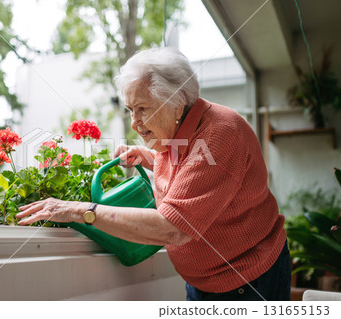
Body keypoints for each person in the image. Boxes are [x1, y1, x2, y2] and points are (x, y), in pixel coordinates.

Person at [16, 47, 290, 301]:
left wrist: (80, 211)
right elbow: (188, 164)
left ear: (176, 103)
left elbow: (173, 228)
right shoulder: (179, 130)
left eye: (143, 109)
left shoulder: (219, 135)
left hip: (247, 281)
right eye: (130, 110)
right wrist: (148, 157)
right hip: (207, 280)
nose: (134, 123)